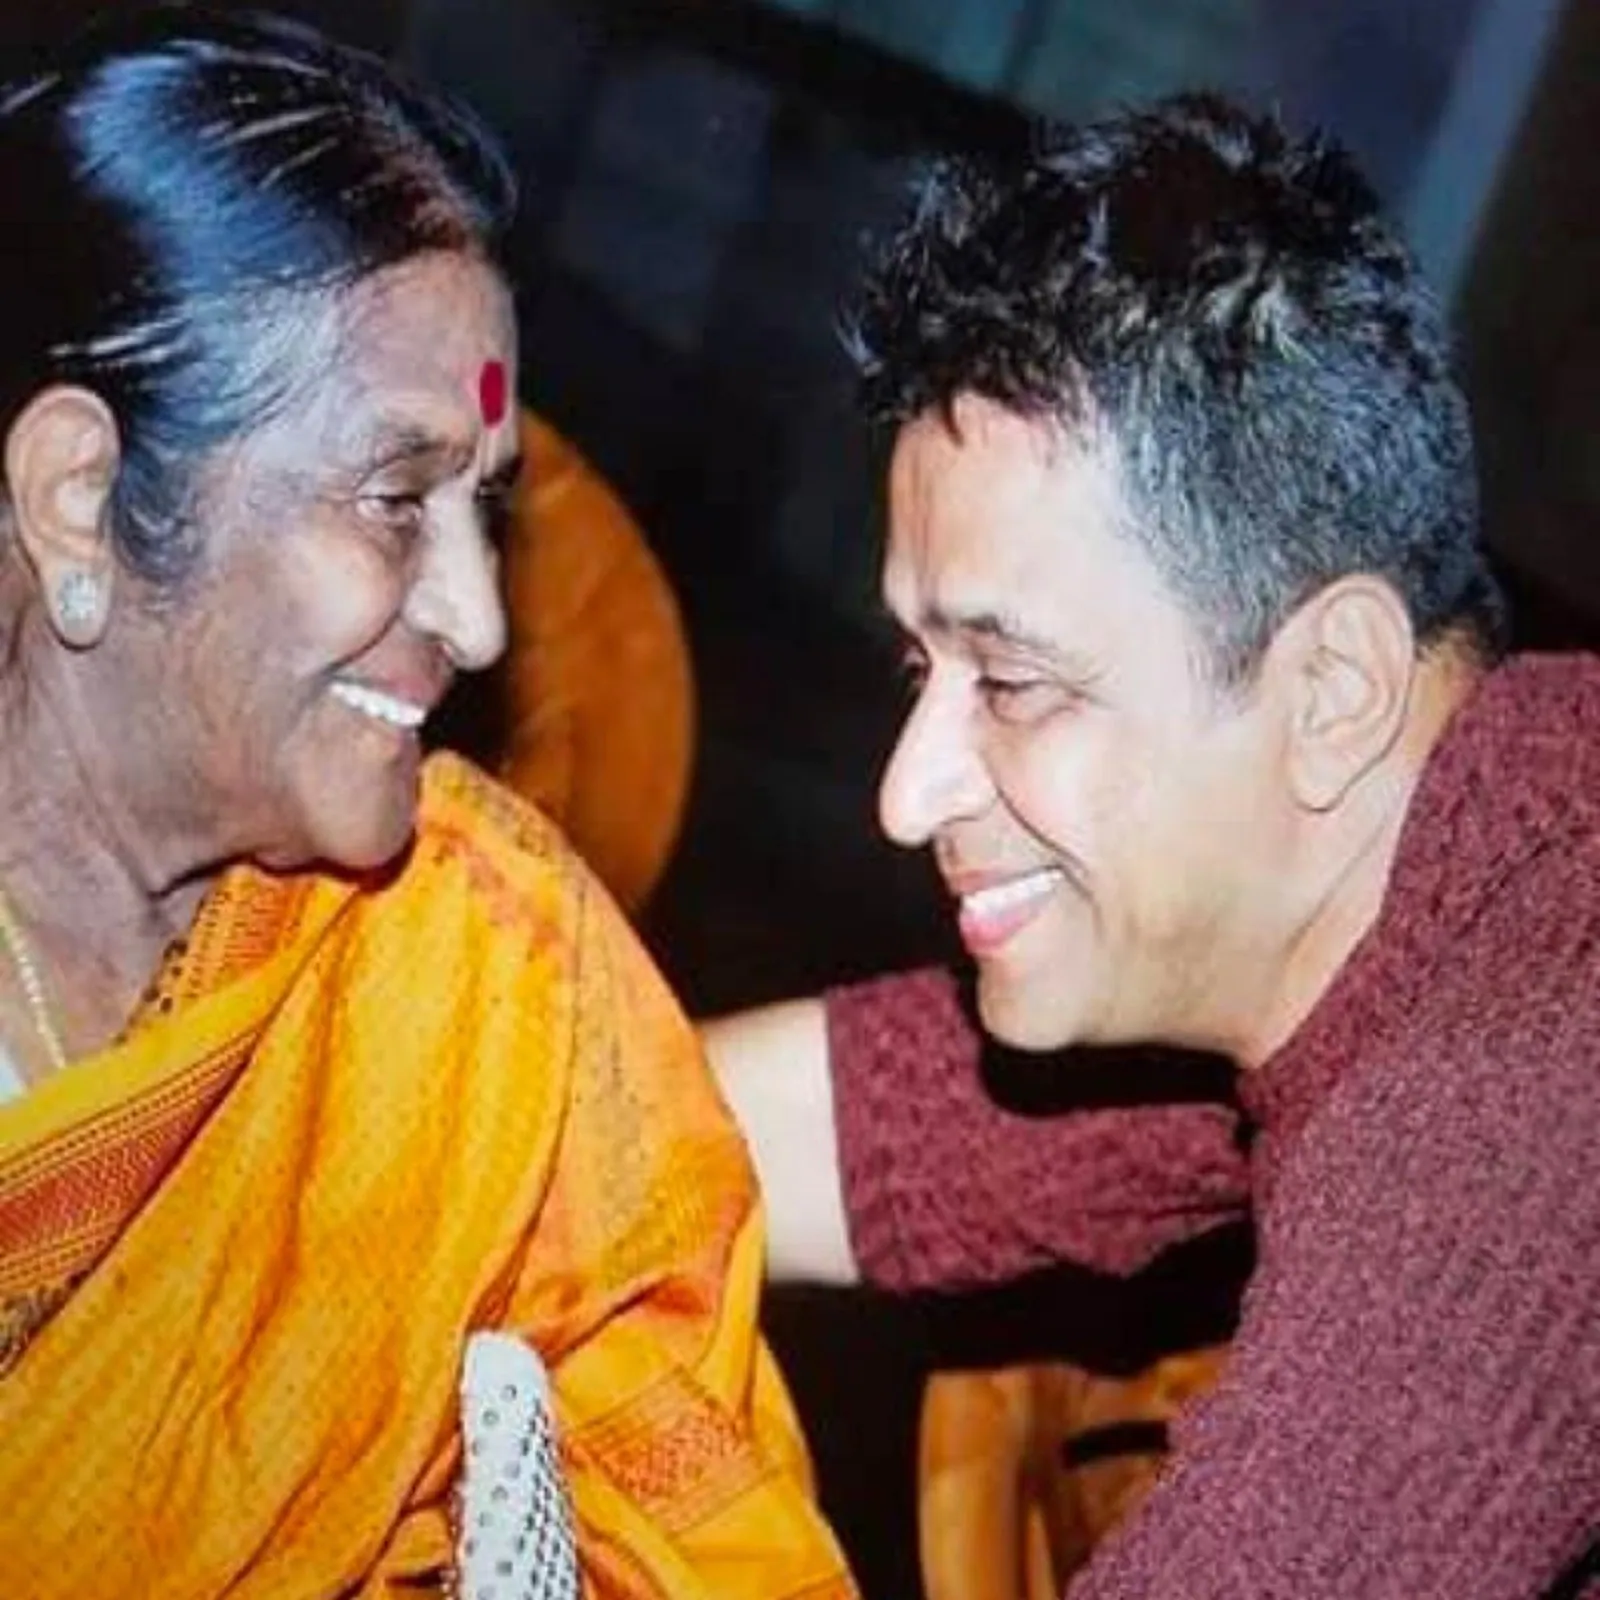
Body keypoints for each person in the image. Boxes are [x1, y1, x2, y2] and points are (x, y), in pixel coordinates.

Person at [0, 11, 853, 1598]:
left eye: (487, 509)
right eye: (398, 501)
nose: (482, 620)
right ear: (78, 501)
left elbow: (709, 1528)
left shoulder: (493, 972)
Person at [706, 94, 1600, 1596]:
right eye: (924, 670)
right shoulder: (1418, 875)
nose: (905, 797)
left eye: (1015, 684)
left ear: (1333, 691)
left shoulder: (1519, 1106)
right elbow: (747, 1140)